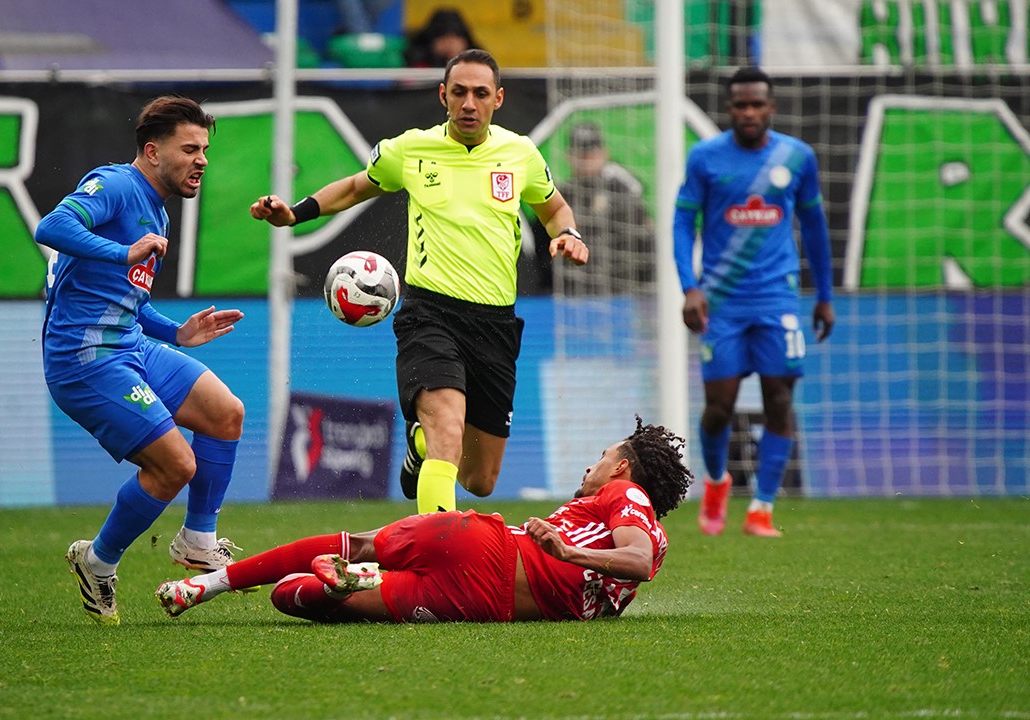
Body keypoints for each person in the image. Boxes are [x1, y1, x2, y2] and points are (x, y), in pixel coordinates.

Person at [250, 49, 589, 515]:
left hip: (495, 324)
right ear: (443, 96)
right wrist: (296, 213)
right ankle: (438, 561)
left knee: (481, 479)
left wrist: (567, 235)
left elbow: (554, 209)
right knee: (447, 432)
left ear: (499, 99)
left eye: (480, 94)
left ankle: (419, 448)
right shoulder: (411, 149)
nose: (469, 103)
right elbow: (353, 187)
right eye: (460, 92)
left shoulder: (520, 154)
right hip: (431, 315)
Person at [36, 95, 247, 625]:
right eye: (189, 149)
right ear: (152, 151)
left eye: (205, 150)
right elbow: (52, 227)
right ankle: (99, 561)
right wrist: (121, 251)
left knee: (226, 412)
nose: (201, 159)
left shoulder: (155, 208)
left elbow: (128, 299)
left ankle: (197, 540)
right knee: (176, 464)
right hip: (85, 357)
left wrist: (176, 331)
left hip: (130, 342)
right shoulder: (115, 184)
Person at [155, 417, 692, 623]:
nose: (590, 466)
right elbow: (633, 567)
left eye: (600, 456)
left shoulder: (625, 495)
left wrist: (565, 551)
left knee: (354, 544)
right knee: (293, 597)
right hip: (478, 605)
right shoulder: (630, 565)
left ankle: (206, 585)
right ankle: (351, 583)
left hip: (482, 549)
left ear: (621, 467)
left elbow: (636, 559)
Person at [673, 67, 835, 538]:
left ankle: (762, 508)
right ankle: (718, 482)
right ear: (730, 109)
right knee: (718, 407)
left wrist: (824, 295)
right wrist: (690, 287)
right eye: (740, 105)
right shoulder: (705, 158)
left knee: (780, 399)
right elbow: (683, 224)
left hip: (777, 298)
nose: (748, 112)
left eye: (756, 104)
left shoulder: (796, 157)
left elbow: (816, 229)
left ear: (771, 107)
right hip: (721, 302)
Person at [552, 123, 655, 294]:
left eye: (591, 151)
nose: (586, 158)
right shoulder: (561, 195)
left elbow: (647, 240)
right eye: (580, 152)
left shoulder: (623, 189)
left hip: (625, 290)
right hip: (575, 292)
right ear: (569, 156)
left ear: (604, 153)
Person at [403, 8, 479, 68]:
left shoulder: (476, 55)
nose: (450, 43)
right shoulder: (417, 53)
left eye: (455, 37)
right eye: (443, 38)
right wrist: (435, 54)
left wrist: (460, 56)